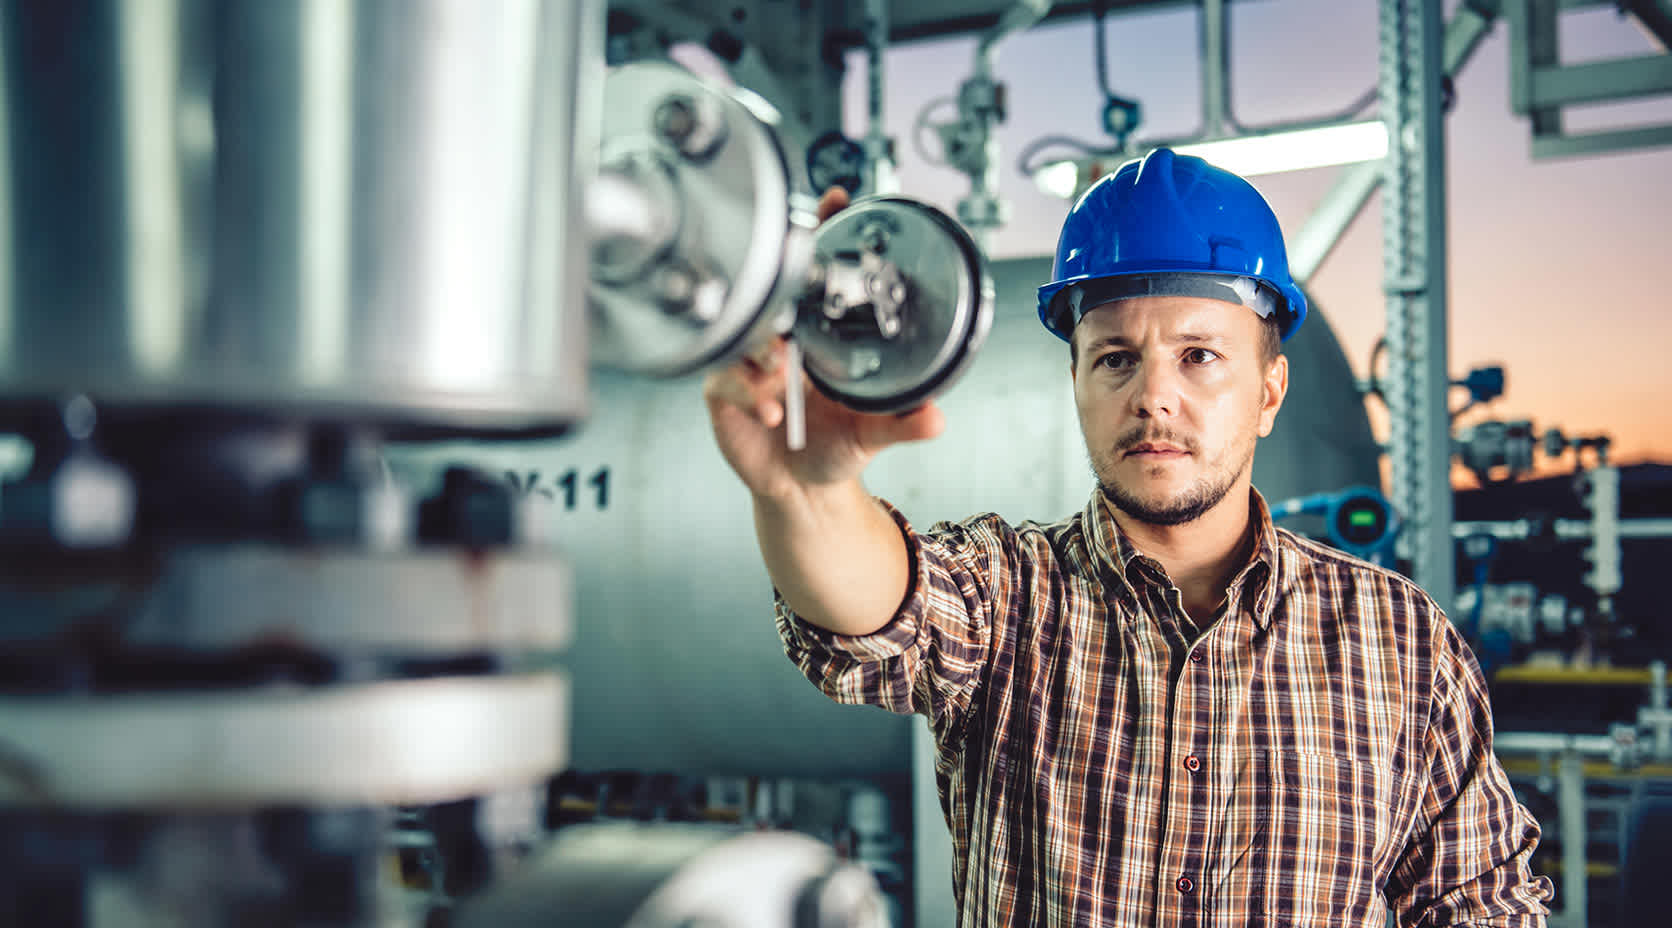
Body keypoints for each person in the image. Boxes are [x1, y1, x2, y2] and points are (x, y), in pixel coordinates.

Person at [704, 148, 1554, 927]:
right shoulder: (1008, 597)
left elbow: (1480, 900)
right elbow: (873, 610)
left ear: (1269, 389)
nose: (1154, 396)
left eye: (1200, 357)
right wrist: (803, 485)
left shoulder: (1398, 640)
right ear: (1076, 380)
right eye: (1116, 358)